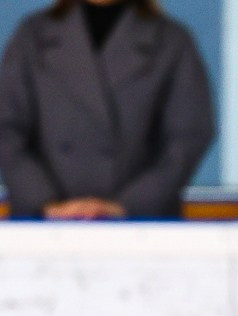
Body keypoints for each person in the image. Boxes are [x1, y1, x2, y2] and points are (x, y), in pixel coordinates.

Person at [0, 0, 215, 219]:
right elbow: (6, 129)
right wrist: (45, 203)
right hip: (43, 225)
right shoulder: (32, 35)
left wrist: (127, 206)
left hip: (141, 225)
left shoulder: (171, 39)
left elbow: (189, 136)